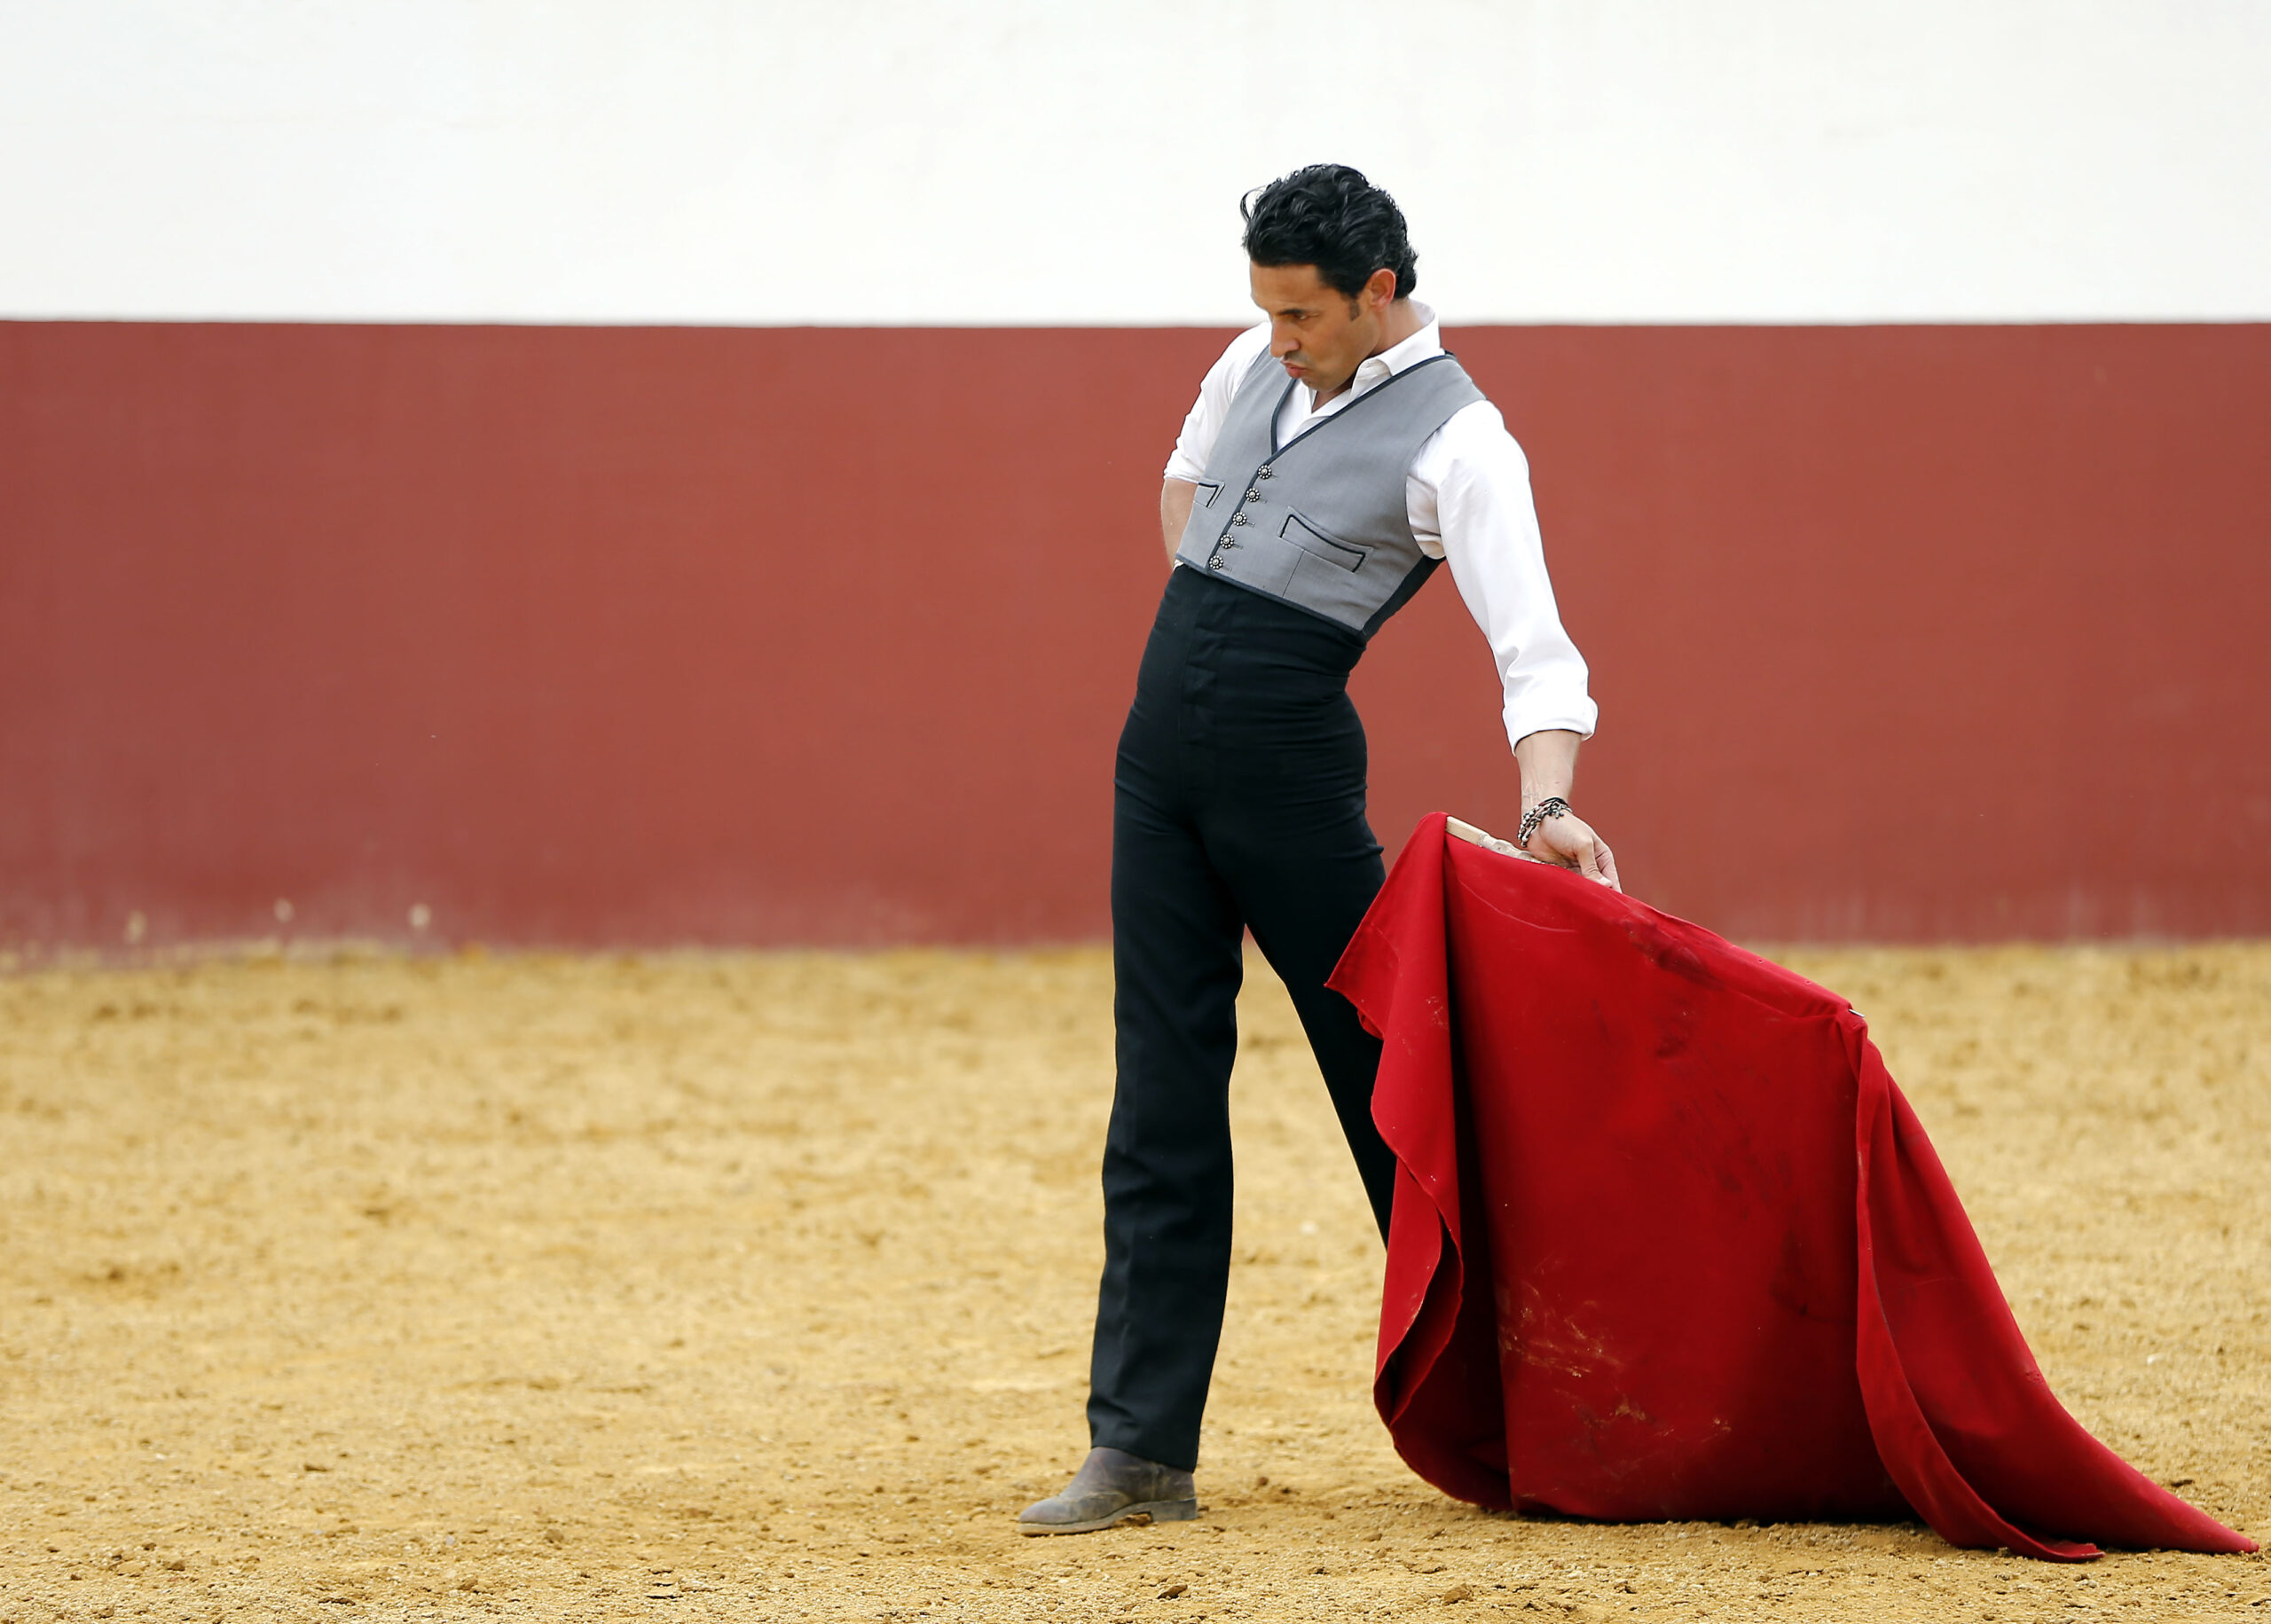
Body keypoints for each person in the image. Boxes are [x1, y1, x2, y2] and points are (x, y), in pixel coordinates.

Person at [1018, 164, 1618, 1535]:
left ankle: (1537, 1412)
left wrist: (1547, 807)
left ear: (1378, 292)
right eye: (1267, 310)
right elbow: (1186, 483)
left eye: (1302, 314)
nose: (1278, 337)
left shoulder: (1464, 443)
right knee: (1160, 1099)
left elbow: (1535, 651)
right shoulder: (1253, 360)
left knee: (1395, 1091)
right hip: (1156, 774)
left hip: (1286, 786)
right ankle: (1139, 1450)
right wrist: (1216, 623)